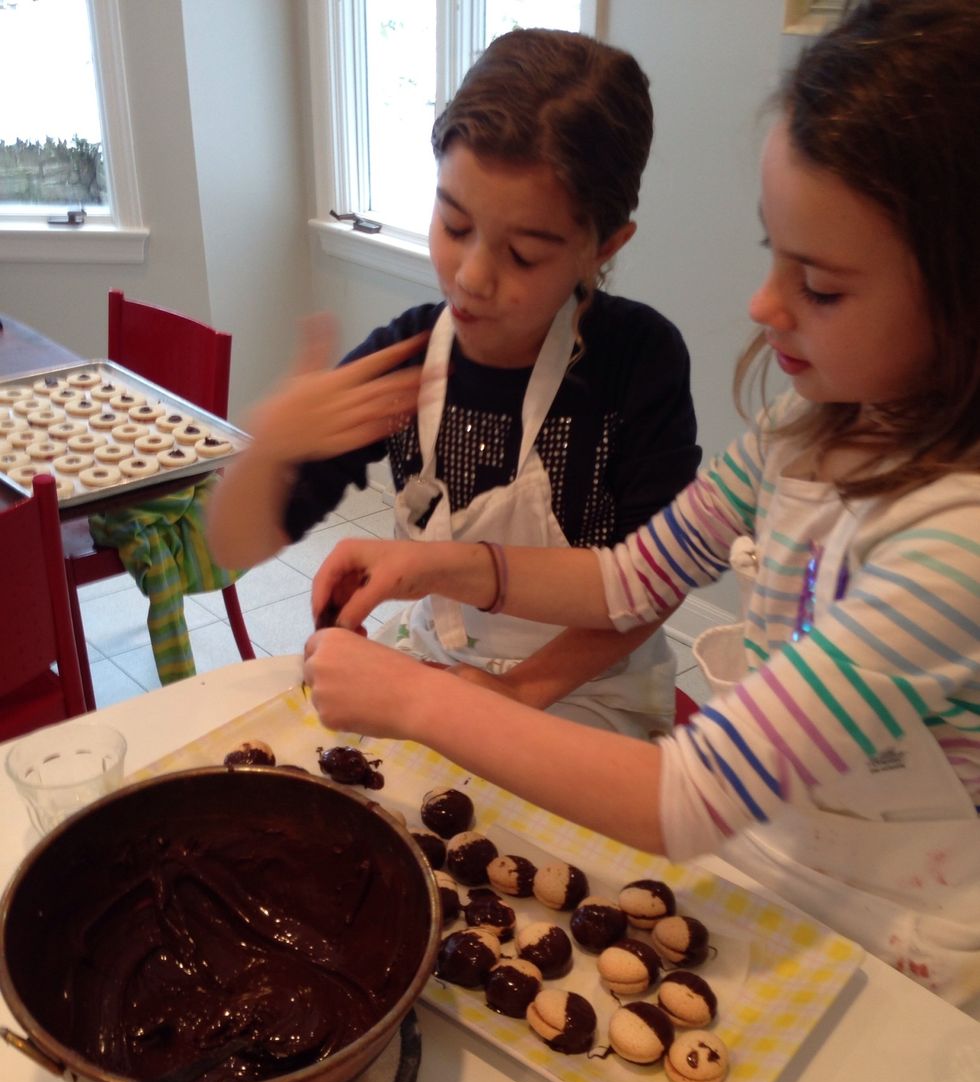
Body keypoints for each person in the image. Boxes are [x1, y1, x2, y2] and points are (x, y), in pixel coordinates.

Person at [300, 0, 980, 1012]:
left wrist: (415, 699)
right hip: (780, 861)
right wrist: (438, 565)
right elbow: (633, 573)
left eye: (821, 286)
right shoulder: (801, 431)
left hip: (910, 948)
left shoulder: (952, 545)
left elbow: (691, 793)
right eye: (773, 254)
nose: (762, 304)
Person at [208, 28, 699, 739]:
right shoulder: (406, 360)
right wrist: (269, 449)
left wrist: (521, 691)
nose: (471, 276)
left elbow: (653, 583)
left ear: (604, 246)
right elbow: (230, 547)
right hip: (443, 663)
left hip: (590, 690)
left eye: (523, 254)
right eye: (454, 223)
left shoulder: (638, 362)